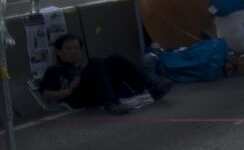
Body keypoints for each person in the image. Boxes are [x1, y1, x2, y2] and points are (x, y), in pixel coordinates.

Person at [39, 34, 172, 115]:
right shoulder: (55, 70)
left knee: (115, 58)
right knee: (96, 61)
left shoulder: (82, 68)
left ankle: (152, 87)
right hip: (77, 95)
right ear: (58, 51)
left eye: (77, 49)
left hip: (97, 89)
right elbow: (46, 96)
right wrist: (68, 90)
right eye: (69, 49)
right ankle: (111, 102)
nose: (74, 52)